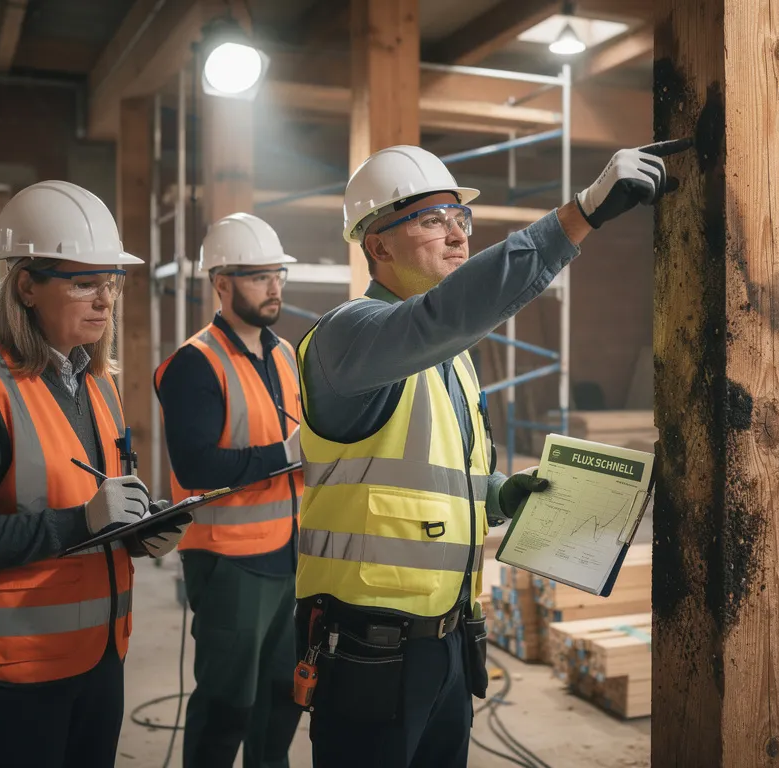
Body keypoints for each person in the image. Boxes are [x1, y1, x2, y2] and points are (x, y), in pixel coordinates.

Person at [295, 140, 690, 767]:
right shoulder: (349, 338)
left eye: (462, 219)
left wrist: (499, 494)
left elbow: (431, 481)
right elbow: (440, 317)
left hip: (449, 641)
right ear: (377, 244)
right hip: (367, 648)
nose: (456, 237)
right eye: (430, 220)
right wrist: (579, 214)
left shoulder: (451, 359)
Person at [0, 180, 187, 768]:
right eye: (85, 282)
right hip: (5, 674)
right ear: (26, 285)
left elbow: (93, 506)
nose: (105, 301)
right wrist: (80, 522)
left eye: (111, 283)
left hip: (96, 656)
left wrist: (139, 531)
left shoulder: (94, 383)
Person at [154, 213, 305, 768]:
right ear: (221, 283)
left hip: (289, 557)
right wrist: (283, 456)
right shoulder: (194, 364)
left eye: (278, 275)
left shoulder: (285, 353)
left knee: (284, 694)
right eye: (258, 276)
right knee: (226, 703)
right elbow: (195, 466)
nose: (274, 287)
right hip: (230, 564)